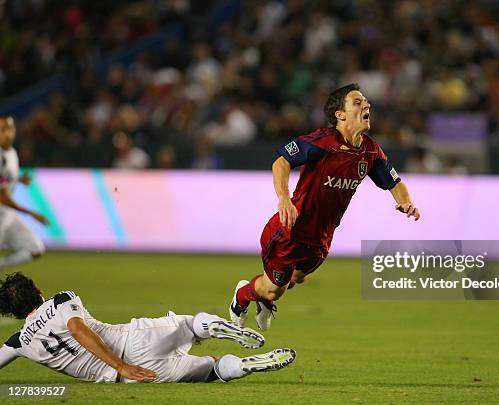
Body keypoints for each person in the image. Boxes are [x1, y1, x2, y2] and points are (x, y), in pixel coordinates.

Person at [229, 83, 420, 330]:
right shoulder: (322, 142)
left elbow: (394, 182)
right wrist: (284, 198)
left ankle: (266, 298)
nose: (366, 105)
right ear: (340, 115)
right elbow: (281, 162)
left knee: (297, 276)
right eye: (357, 102)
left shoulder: (370, 150)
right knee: (273, 290)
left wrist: (406, 202)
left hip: (322, 236)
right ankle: (241, 297)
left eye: (366, 102)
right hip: (292, 230)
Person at [0, 272, 296, 383]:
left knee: (212, 369)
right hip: (132, 343)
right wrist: (121, 364)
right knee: (191, 325)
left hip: (134, 378)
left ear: (13, 313)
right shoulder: (60, 300)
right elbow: (77, 329)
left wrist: (123, 371)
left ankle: (243, 365)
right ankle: (223, 324)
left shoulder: (19, 342)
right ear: (37, 289)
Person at [0, 116, 49, 272]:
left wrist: (18, 179)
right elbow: (2, 196)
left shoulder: (11, 152)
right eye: (3, 129)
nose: (8, 133)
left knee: (35, 249)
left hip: (7, 215)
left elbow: (5, 179)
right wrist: (31, 213)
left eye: (10, 128)